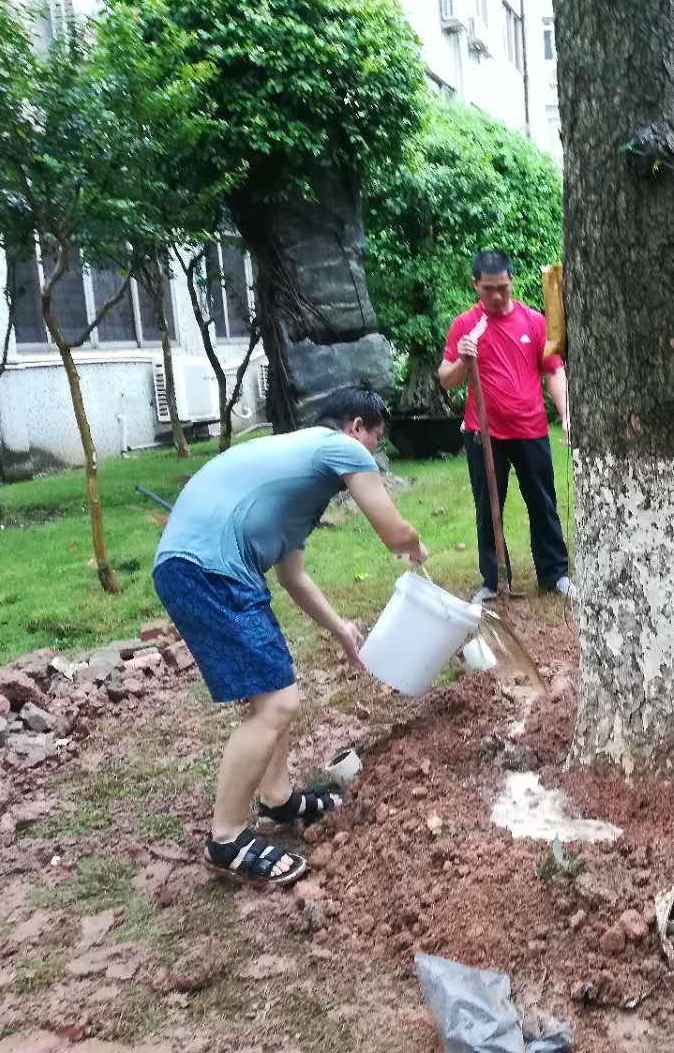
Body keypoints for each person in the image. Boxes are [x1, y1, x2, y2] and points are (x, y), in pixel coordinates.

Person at [152, 386, 428, 886]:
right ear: (355, 428)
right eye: (374, 441)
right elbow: (393, 533)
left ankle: (277, 799)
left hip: (201, 567)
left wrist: (342, 628)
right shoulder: (337, 446)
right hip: (208, 570)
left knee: (274, 690)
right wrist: (414, 544)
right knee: (278, 702)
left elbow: (292, 578)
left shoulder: (298, 483)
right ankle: (227, 839)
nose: (373, 455)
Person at [439, 249, 572, 603]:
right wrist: (464, 361)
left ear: (512, 281)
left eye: (502, 287)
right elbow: (447, 378)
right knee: (488, 505)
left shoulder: (534, 322)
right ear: (475, 285)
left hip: (530, 429)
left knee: (543, 502)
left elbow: (554, 372)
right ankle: (495, 579)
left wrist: (566, 415)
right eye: (488, 289)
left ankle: (554, 574)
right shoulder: (465, 326)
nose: (496, 296)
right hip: (483, 432)